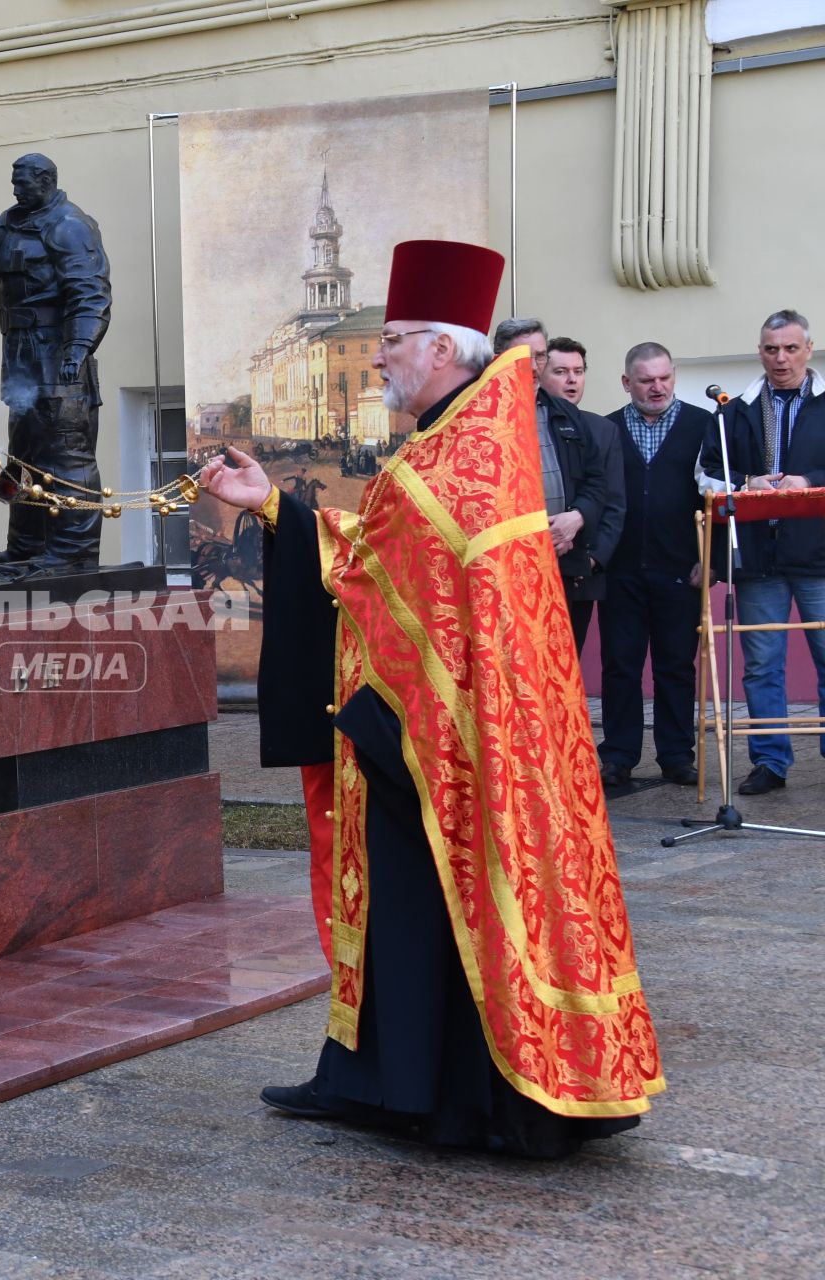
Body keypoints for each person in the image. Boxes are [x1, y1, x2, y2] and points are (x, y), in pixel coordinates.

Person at [201, 239, 662, 1156]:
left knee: (427, 909)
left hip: (438, 737)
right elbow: (380, 553)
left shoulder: (461, 454)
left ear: (443, 351)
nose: (379, 354)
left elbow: (383, 568)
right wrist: (273, 507)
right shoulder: (457, 442)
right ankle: (377, 1080)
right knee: (402, 908)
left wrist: (294, 528)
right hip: (423, 728)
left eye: (396, 339)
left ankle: (438, 1093)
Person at [0, 153, 112, 568]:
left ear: (45, 181)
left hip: (59, 358)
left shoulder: (71, 226)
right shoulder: (10, 220)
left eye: (22, 182)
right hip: (21, 358)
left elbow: (90, 294)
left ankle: (73, 552)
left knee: (67, 458)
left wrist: (77, 349)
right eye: (13, 182)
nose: (15, 189)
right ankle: (26, 546)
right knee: (22, 458)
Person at [705, 309, 825, 795]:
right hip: (758, 560)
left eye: (791, 348)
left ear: (808, 351)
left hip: (819, 558)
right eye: (772, 349)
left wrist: (810, 482)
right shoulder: (735, 410)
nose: (781, 358)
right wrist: (746, 484)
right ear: (760, 351)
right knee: (761, 665)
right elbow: (707, 475)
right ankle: (770, 762)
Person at [596, 342, 717, 788]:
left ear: (674, 376)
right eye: (646, 380)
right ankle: (620, 754)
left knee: (676, 666)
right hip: (620, 571)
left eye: (664, 378)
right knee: (620, 665)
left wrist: (711, 560)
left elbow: (717, 498)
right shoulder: (606, 430)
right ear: (627, 382)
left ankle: (676, 755)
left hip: (681, 570)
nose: (657, 387)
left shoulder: (704, 426)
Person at [491, 318, 625, 651]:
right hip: (505, 572)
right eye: (525, 356)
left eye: (540, 356)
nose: (534, 366)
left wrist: (576, 517)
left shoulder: (568, 415)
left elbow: (598, 483)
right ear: (499, 358)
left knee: (563, 667)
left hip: (566, 568)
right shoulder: (481, 414)